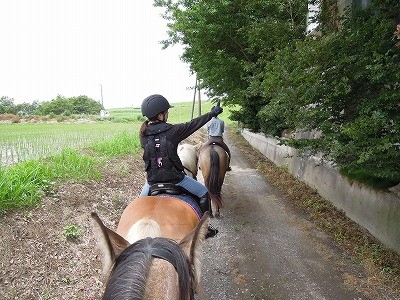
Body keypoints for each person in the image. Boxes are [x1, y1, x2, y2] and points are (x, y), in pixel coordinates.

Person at [139, 94, 223, 238]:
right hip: (176, 179)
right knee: (203, 192)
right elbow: (195, 123)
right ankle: (205, 228)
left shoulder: (143, 134)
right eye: (166, 111)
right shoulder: (173, 131)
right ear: (161, 115)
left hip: (152, 182)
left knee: (139, 204)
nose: (167, 114)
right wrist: (212, 113)